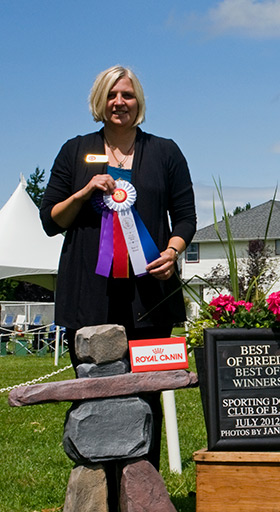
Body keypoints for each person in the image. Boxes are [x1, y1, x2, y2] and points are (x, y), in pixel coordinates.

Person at [40, 65, 196, 492]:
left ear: (138, 100)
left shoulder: (165, 152)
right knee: (94, 394)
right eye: (111, 95)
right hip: (87, 295)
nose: (119, 102)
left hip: (150, 295)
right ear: (99, 101)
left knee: (147, 395)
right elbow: (51, 220)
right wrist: (84, 192)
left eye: (126, 94)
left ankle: (143, 490)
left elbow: (186, 217)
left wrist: (172, 251)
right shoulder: (75, 151)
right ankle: (96, 490)